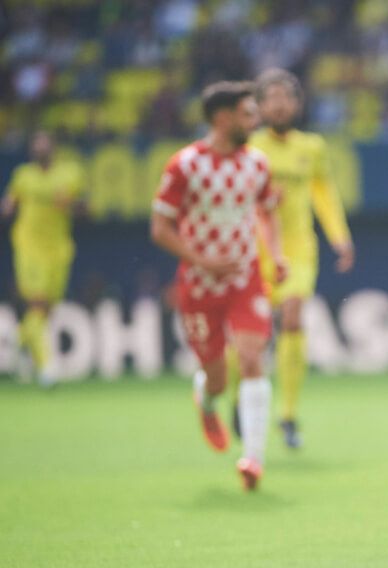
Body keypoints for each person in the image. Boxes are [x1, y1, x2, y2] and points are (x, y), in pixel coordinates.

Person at [150, 81, 287, 490]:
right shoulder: (185, 165)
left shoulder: (258, 164)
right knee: (217, 377)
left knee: (251, 358)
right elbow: (160, 227)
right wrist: (203, 260)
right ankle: (206, 398)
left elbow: (269, 214)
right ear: (223, 118)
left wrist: (276, 255)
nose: (256, 120)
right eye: (248, 114)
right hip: (198, 285)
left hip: (245, 280)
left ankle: (254, 458)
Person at [242, 67, 356, 449]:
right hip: (253, 252)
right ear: (259, 106)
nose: (278, 104)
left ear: (296, 103)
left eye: (285, 97)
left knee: (292, 317)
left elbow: (324, 193)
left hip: (298, 250)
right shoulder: (249, 147)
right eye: (270, 98)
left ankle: (287, 414)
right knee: (249, 340)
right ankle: (238, 399)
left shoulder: (312, 147)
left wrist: (339, 237)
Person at [1, 131, 84, 387]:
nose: (40, 149)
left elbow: (84, 208)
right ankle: (47, 367)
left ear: (53, 148)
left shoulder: (70, 173)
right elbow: (8, 207)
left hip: (59, 249)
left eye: (44, 144)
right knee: (37, 304)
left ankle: (17, 339)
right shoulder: (23, 176)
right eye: (36, 145)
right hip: (29, 247)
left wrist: (71, 204)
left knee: (46, 311)